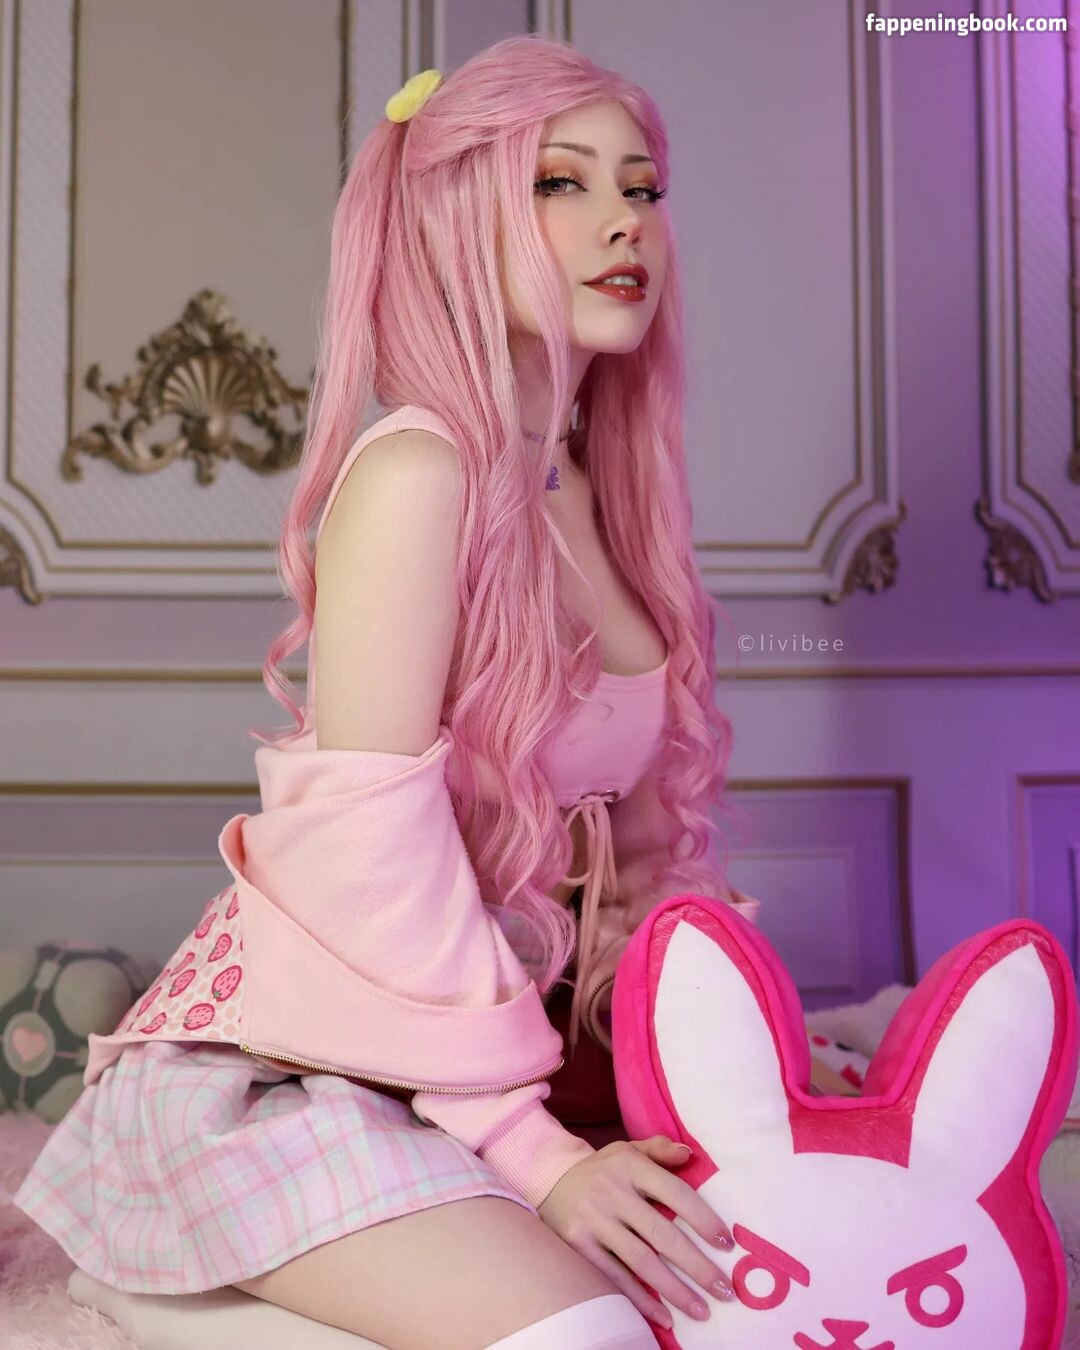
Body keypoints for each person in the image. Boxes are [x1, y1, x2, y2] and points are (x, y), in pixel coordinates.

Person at [13, 34, 761, 1350]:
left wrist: (722, 1069)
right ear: (459, 215)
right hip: (306, 1071)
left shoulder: (602, 496)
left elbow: (639, 870)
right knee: (583, 1336)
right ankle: (165, 1283)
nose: (622, 221)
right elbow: (372, 870)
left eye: (641, 186)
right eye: (561, 181)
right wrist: (540, 1157)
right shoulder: (418, 476)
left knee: (766, 1281)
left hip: (483, 1067)